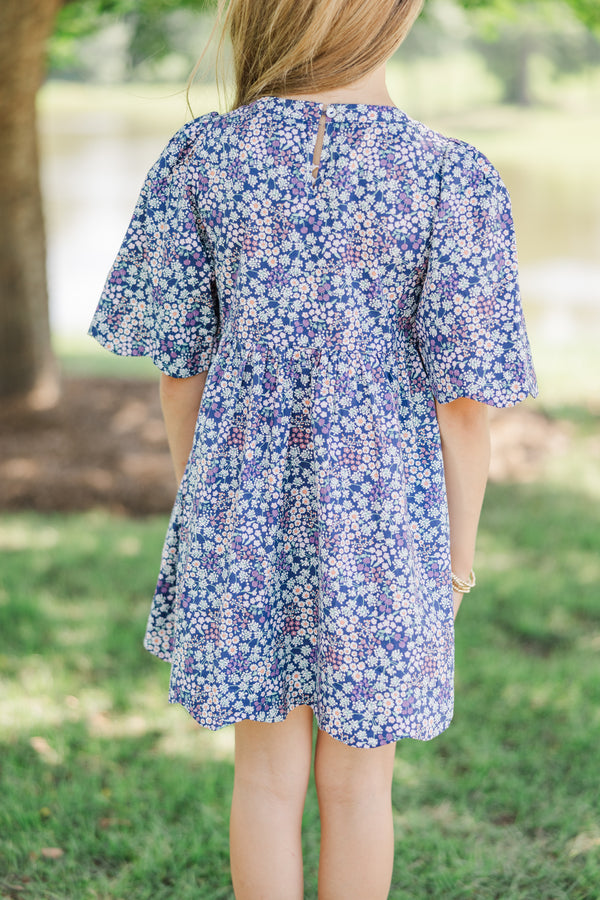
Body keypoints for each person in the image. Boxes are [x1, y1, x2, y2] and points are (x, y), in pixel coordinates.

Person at [88, 0, 538, 896]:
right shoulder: (450, 176)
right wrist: (455, 563)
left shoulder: (203, 157)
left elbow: (183, 377)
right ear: (395, 21)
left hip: (238, 522)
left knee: (262, 776)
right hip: (387, 532)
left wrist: (210, 510)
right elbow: (464, 408)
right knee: (361, 782)